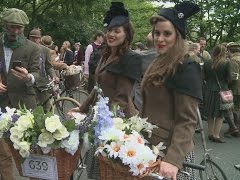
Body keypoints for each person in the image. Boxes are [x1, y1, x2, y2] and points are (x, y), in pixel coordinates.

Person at [69, 2, 142, 178]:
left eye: (117, 31)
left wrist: (104, 122)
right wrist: (82, 108)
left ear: (127, 34)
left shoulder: (130, 58)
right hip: (102, 117)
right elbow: (97, 88)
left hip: (118, 121)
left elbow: (122, 98)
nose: (111, 34)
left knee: (112, 171)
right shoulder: (106, 54)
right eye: (110, 30)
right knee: (97, 171)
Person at [141, 2, 201, 180]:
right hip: (149, 147)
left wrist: (173, 160)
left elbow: (187, 120)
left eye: (167, 33)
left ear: (178, 36)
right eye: (157, 33)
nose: (160, 38)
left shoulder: (186, 66)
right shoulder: (158, 60)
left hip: (171, 153)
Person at [0, 8, 40, 180]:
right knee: (4, 154)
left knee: (29, 150)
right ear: (4, 25)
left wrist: (29, 77)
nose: (15, 31)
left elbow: (37, 74)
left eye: (19, 28)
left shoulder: (33, 48)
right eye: (12, 27)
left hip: (25, 106)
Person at [203, 44, 239, 142]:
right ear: (224, 52)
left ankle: (210, 133)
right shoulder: (226, 63)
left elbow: (204, 76)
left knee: (210, 114)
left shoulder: (207, 62)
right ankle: (216, 135)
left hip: (209, 90)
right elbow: (229, 78)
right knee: (220, 114)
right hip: (222, 90)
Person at [28, 28, 58, 111]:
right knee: (31, 108)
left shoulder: (45, 50)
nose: (34, 39)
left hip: (43, 83)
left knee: (46, 107)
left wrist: (53, 76)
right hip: (30, 84)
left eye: (37, 38)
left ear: (40, 39)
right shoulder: (25, 49)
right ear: (29, 38)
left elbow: (48, 66)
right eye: (32, 37)